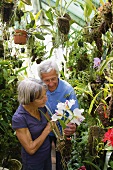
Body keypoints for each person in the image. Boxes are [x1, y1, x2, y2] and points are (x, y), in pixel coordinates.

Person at [37, 59, 79, 170]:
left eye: (53, 79)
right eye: (46, 80)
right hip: (44, 131)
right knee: (44, 159)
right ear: (41, 79)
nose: (50, 83)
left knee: (63, 160)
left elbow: (76, 114)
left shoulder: (67, 90)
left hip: (62, 133)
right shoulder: (38, 89)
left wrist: (73, 125)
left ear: (57, 75)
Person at [12, 78, 55, 170]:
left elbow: (50, 122)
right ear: (29, 100)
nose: (45, 99)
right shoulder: (19, 118)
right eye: (40, 98)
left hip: (46, 156)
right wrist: (47, 130)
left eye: (45, 95)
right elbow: (30, 149)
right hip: (34, 162)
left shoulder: (41, 108)